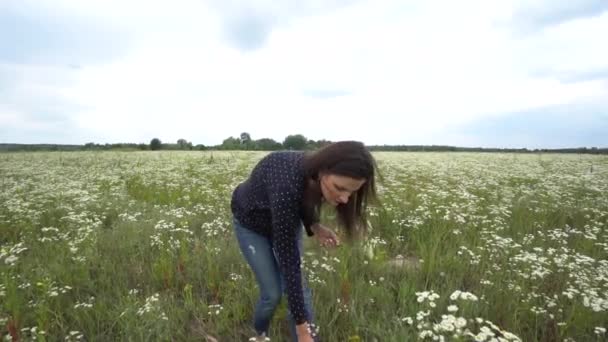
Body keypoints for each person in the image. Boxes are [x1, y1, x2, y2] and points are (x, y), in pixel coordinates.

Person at [231, 141, 378, 342]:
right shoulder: (286, 183)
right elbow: (289, 262)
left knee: (300, 290)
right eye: (340, 188)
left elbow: (301, 200)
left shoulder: (311, 174)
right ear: (322, 172)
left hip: (283, 219)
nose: (345, 198)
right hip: (252, 225)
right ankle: (260, 333)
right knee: (272, 294)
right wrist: (302, 330)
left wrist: (315, 226)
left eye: (351, 192)